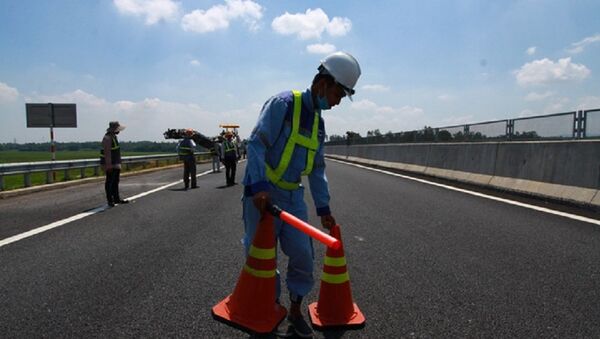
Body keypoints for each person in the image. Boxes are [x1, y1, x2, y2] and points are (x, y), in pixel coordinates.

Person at [241, 51, 361, 337]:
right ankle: (269, 308)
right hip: (263, 194)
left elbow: (317, 169)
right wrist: (258, 188)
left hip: (293, 197)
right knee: (261, 257)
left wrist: (324, 208)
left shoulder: (319, 125)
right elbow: (256, 144)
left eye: (342, 97)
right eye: (337, 94)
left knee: (303, 255)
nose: (336, 102)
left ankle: (295, 308)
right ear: (322, 83)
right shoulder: (282, 104)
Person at [100, 121, 129, 207]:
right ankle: (110, 200)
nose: (119, 131)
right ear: (113, 130)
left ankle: (116, 198)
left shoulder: (113, 137)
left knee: (115, 182)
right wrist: (108, 165)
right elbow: (107, 153)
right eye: (117, 129)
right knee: (109, 182)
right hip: (110, 164)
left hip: (115, 164)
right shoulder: (107, 138)